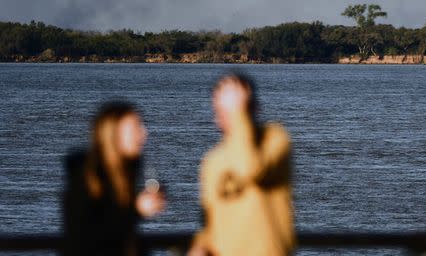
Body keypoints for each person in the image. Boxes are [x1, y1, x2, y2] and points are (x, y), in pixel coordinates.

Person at [189, 72, 295, 256]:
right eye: (223, 109)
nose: (231, 115)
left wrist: (239, 114)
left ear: (253, 109)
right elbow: (211, 222)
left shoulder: (275, 139)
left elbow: (251, 168)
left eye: (238, 107)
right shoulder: (213, 161)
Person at [63, 101, 165, 256]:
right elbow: (87, 235)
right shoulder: (85, 178)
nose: (144, 133)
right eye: (135, 128)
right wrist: (136, 210)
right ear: (113, 134)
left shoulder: (130, 171)